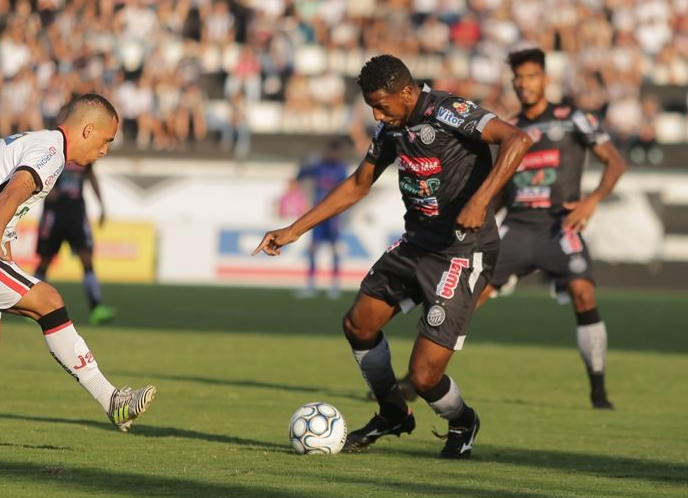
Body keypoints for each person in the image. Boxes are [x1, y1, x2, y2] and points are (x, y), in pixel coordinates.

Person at [253, 55, 532, 458]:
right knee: (358, 324)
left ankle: (462, 420)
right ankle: (392, 413)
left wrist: (481, 201)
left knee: (423, 376)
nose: (376, 113)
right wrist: (294, 229)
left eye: (381, 104)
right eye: (371, 105)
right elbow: (358, 183)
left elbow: (518, 140)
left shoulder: (449, 112)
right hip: (417, 243)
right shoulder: (391, 128)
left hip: (462, 252)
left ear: (407, 91)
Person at [0, 94, 156, 445]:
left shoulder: (36, 142)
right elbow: (15, 189)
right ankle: (111, 399)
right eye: (106, 141)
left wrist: (1, 243)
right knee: (48, 301)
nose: (105, 151)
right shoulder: (51, 152)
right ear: (87, 130)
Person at [476, 48, 626, 408]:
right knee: (468, 297)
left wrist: (591, 201)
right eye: (518, 78)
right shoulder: (509, 128)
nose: (523, 84)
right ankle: (417, 379)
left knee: (584, 293)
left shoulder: (574, 117)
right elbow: (497, 187)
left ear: (544, 79)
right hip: (517, 227)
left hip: (560, 226)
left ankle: (598, 391)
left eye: (530, 76)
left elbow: (615, 163)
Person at [34, 111, 114, 325]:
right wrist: (47, 190)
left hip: (77, 213)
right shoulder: (52, 151)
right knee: (45, 260)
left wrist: (102, 205)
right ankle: (30, 308)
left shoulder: (83, 152)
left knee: (87, 258)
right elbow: (36, 174)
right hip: (54, 213)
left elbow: (91, 176)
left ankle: (96, 308)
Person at [294, 140, 349, 299]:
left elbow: (347, 189)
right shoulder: (318, 166)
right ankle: (311, 285)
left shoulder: (340, 169)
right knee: (313, 249)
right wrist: (303, 164)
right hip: (318, 214)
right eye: (329, 151)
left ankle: (334, 285)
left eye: (334, 152)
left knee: (334, 250)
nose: (331, 154)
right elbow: (300, 175)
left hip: (333, 215)